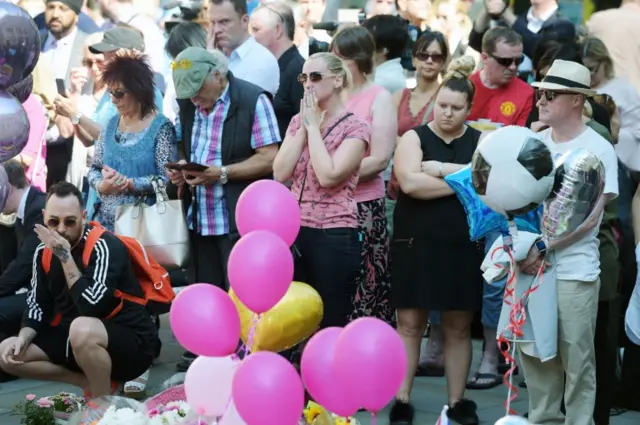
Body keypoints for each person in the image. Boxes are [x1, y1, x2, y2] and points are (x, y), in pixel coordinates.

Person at [169, 47, 280, 372]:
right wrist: (181, 170)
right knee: (208, 294)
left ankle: (247, 365)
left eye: (199, 91)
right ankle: (210, 360)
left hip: (238, 220)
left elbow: (270, 157)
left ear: (218, 75)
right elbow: (185, 143)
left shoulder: (251, 100)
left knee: (244, 298)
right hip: (201, 217)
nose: (194, 100)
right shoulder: (189, 104)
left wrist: (222, 173)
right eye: (187, 94)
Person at [520, 59, 619, 425]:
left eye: (551, 94)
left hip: (574, 270)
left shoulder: (599, 146)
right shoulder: (532, 142)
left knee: (577, 358)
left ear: (576, 100)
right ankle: (541, 419)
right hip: (530, 267)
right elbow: (513, 200)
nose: (541, 100)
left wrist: (541, 248)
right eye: (540, 93)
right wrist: (522, 248)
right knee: (534, 354)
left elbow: (590, 215)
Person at [389, 57, 482, 425]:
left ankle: (457, 402)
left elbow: (486, 184)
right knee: (410, 323)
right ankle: (402, 398)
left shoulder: (479, 140)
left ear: (468, 110)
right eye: (442, 105)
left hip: (462, 244)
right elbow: (410, 184)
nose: (447, 113)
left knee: (458, 326)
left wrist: (443, 173)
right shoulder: (414, 136)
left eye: (456, 108)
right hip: (416, 240)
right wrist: (464, 182)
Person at [0, 182, 158, 398]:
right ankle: (89, 383)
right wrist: (24, 336)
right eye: (53, 222)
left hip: (131, 342)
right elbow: (37, 303)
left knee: (81, 328)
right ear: (44, 217)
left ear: (83, 217)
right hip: (75, 336)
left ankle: (101, 407)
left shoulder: (104, 245)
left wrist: (65, 257)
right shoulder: (41, 252)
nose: (61, 229)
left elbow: (91, 305)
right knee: (7, 353)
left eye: (70, 221)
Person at [273, 52, 369, 332]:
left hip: (334, 233)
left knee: (329, 319)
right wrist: (305, 127)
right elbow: (280, 173)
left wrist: (314, 129)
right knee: (293, 319)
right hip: (294, 229)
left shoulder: (356, 127)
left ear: (338, 80)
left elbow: (329, 176)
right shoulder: (297, 121)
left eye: (315, 77)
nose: (308, 84)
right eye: (304, 77)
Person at [330, 26, 397, 325]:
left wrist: (335, 174)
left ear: (357, 60)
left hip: (362, 206)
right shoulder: (331, 95)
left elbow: (380, 159)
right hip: (325, 205)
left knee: (365, 281)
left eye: (339, 59)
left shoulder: (378, 97)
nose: (334, 66)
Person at [0, 161, 46, 351]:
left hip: (50, 296)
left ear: (7, 187)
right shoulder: (25, 209)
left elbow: (24, 264)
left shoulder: (38, 208)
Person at [250, 2, 306, 138]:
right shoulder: (266, 65)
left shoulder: (298, 70)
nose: (251, 37)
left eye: (256, 30)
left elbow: (306, 124)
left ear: (278, 30)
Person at [208, 0, 280, 96]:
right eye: (212, 23)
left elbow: (233, 104)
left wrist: (210, 63)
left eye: (224, 22)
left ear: (245, 21)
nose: (216, 30)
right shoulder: (215, 55)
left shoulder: (262, 61)